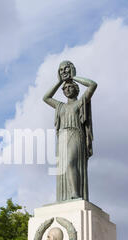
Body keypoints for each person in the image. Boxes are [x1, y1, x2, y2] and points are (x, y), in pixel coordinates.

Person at [43, 61, 97, 202]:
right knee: (62, 169)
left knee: (70, 163)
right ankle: (66, 196)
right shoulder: (60, 106)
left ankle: (75, 193)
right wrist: (59, 81)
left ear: (76, 89)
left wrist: (73, 77)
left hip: (75, 134)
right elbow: (46, 97)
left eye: (70, 86)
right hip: (62, 137)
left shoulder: (80, 102)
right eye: (64, 88)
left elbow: (92, 85)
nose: (66, 89)